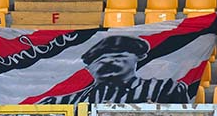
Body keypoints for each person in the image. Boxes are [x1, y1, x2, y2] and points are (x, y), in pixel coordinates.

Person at [41, 35, 190, 105]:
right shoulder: (59, 103)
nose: (108, 61)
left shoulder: (165, 89)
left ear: (139, 57)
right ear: (88, 68)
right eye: (99, 59)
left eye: (119, 56)